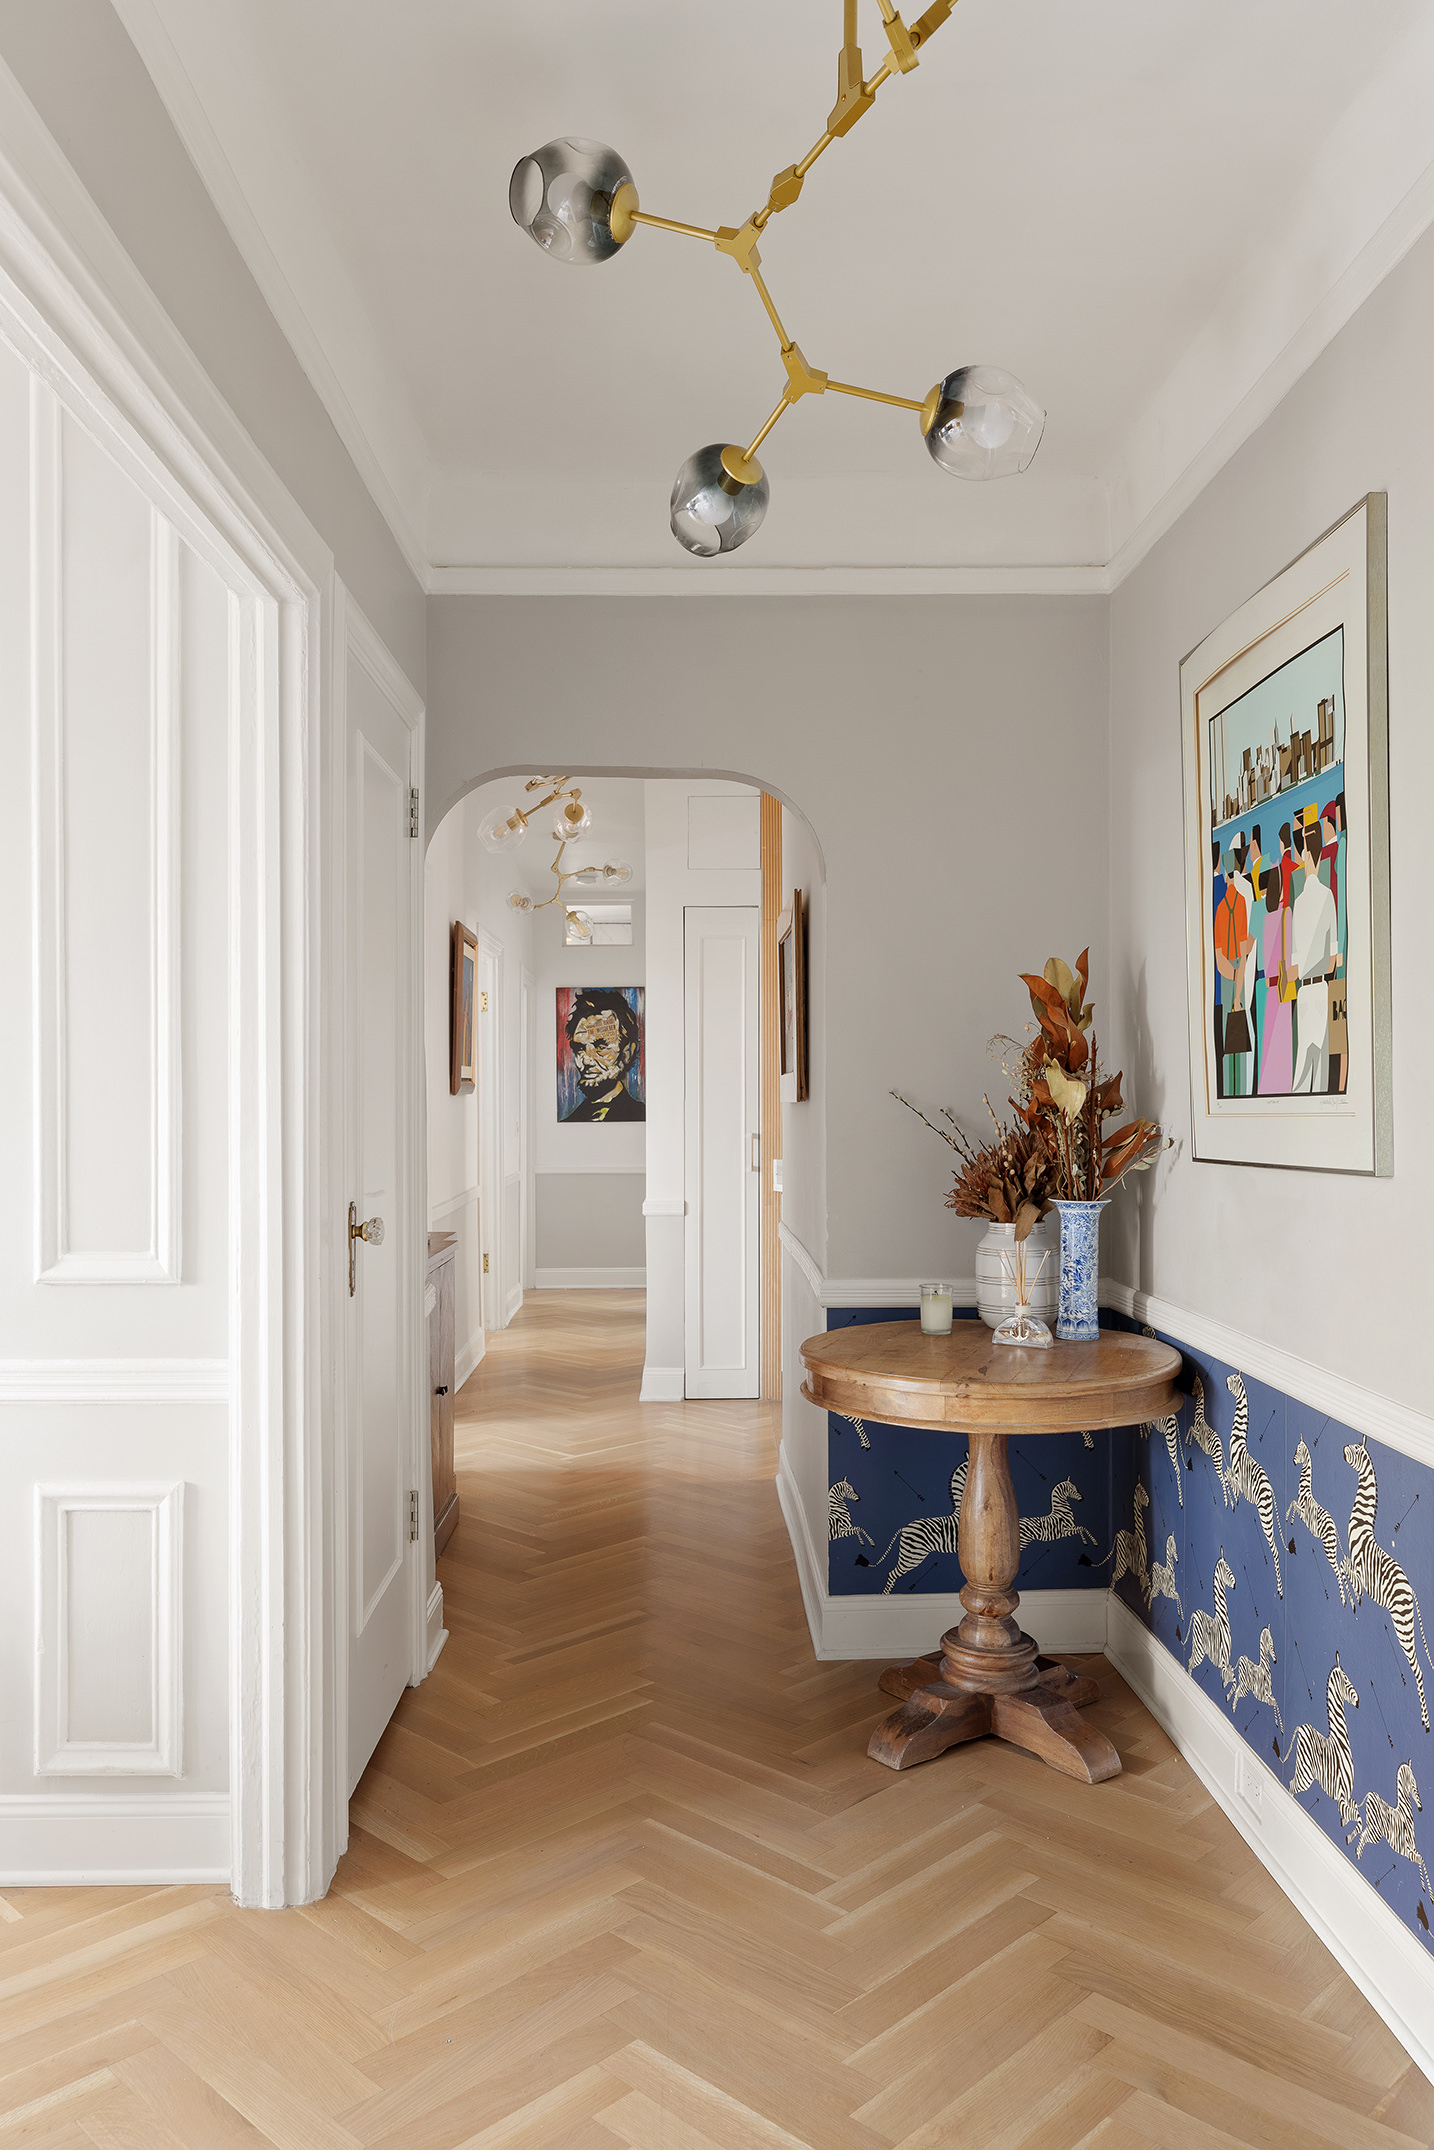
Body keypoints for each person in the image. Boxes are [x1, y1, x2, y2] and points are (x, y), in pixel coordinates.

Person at [1291, 820, 1338, 1093]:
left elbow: (1295, 964)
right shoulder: (1327, 896)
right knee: (1320, 1074)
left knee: (1301, 1071)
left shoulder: (1298, 904)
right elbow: (1332, 960)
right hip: (1321, 988)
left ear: (1304, 854)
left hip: (1303, 992)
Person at [559, 990, 645, 1121]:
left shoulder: (640, 1115)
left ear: (627, 1053)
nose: (586, 1060)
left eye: (601, 1047)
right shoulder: (570, 1121)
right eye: (580, 1048)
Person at [1213, 848, 1252, 1098]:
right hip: (1237, 973)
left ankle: (1230, 1094)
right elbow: (1243, 952)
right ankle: (1240, 1093)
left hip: (1227, 973)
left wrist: (1230, 974)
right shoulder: (1240, 905)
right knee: (1238, 1038)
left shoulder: (1220, 909)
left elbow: (1219, 958)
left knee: (1229, 1044)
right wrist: (1237, 991)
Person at [1258, 868, 1293, 1093]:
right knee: (1281, 1044)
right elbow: (1288, 955)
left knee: (1269, 1043)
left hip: (1270, 988)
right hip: (1283, 986)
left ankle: (1269, 1087)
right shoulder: (1286, 914)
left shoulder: (1266, 920)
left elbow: (1263, 962)